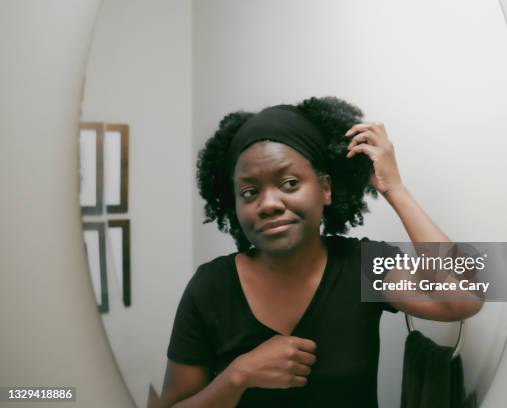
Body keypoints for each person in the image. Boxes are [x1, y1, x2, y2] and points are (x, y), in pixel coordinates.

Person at [157, 96, 483, 407]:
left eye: (289, 184)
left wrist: (393, 188)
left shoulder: (362, 266)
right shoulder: (210, 287)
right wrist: (236, 377)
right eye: (249, 191)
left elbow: (464, 296)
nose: (269, 204)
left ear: (325, 189)